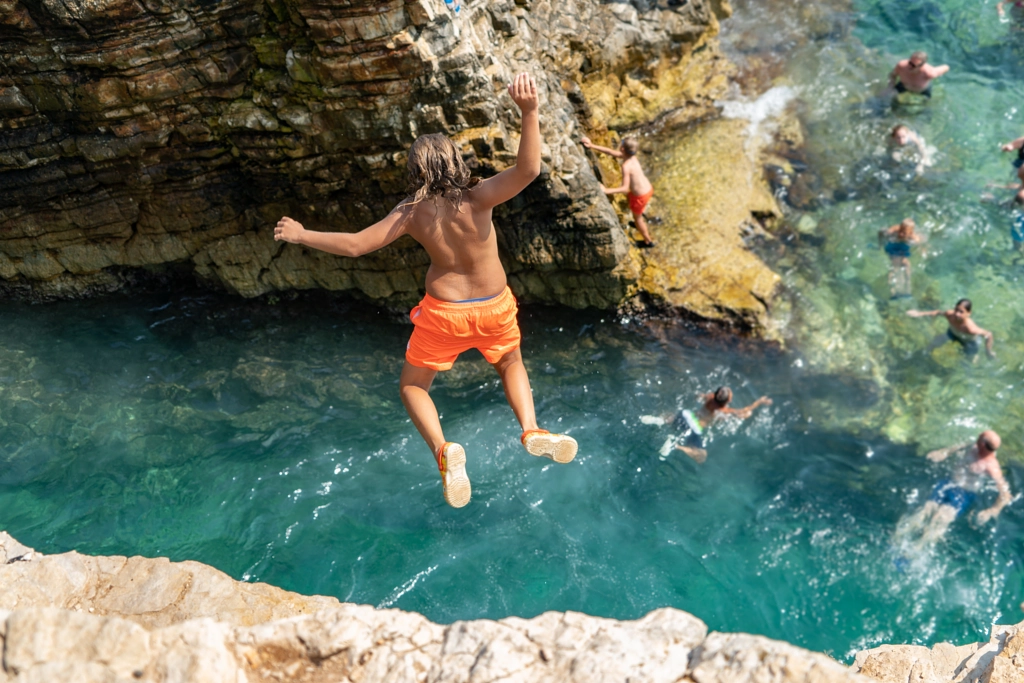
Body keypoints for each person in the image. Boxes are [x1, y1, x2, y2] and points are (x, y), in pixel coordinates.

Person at [273, 74, 578, 509]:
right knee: (510, 362)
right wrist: (529, 111)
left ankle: (443, 450)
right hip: (493, 306)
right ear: (456, 163)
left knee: (414, 388)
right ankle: (532, 429)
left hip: (445, 314)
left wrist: (304, 234)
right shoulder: (478, 198)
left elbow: (357, 245)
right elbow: (529, 169)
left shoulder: (411, 212)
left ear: (416, 171)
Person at [894, 431, 1013, 550]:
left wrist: (993, 510)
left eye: (979, 438)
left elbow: (1005, 493)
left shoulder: (992, 467)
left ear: (983, 443)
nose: (976, 438)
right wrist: (943, 453)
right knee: (926, 509)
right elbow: (956, 447)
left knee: (939, 519)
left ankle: (917, 550)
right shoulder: (973, 446)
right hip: (947, 483)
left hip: (964, 494)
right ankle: (896, 539)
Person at [645, 387, 771, 464]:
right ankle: (675, 445)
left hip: (687, 415)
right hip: (694, 427)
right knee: (702, 456)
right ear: (728, 401)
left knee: (672, 417)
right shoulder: (723, 411)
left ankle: (661, 420)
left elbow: (698, 396)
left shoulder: (710, 397)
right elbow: (745, 411)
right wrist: (759, 402)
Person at [580, 135, 656, 247]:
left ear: (622, 149)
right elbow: (611, 152)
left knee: (637, 218)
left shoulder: (626, 166)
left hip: (640, 196)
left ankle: (648, 241)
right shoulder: (632, 158)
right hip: (648, 189)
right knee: (631, 200)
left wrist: (606, 190)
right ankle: (640, 220)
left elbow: (624, 188)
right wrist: (591, 145)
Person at [907, 299, 996, 359]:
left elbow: (988, 334)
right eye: (956, 310)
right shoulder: (950, 315)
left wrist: (988, 351)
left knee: (969, 362)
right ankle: (923, 356)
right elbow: (937, 312)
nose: (957, 314)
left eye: (961, 312)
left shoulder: (970, 328)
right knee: (934, 342)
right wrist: (919, 313)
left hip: (969, 342)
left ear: (969, 313)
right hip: (952, 334)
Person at [878, 217, 924, 299]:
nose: (900, 234)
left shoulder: (914, 238)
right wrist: (880, 244)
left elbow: (921, 244)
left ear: (910, 233)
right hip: (893, 246)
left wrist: (922, 250)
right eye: (900, 230)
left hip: (903, 247)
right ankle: (893, 292)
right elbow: (881, 232)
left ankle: (908, 288)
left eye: (904, 233)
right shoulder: (893, 231)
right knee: (895, 265)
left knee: (907, 264)